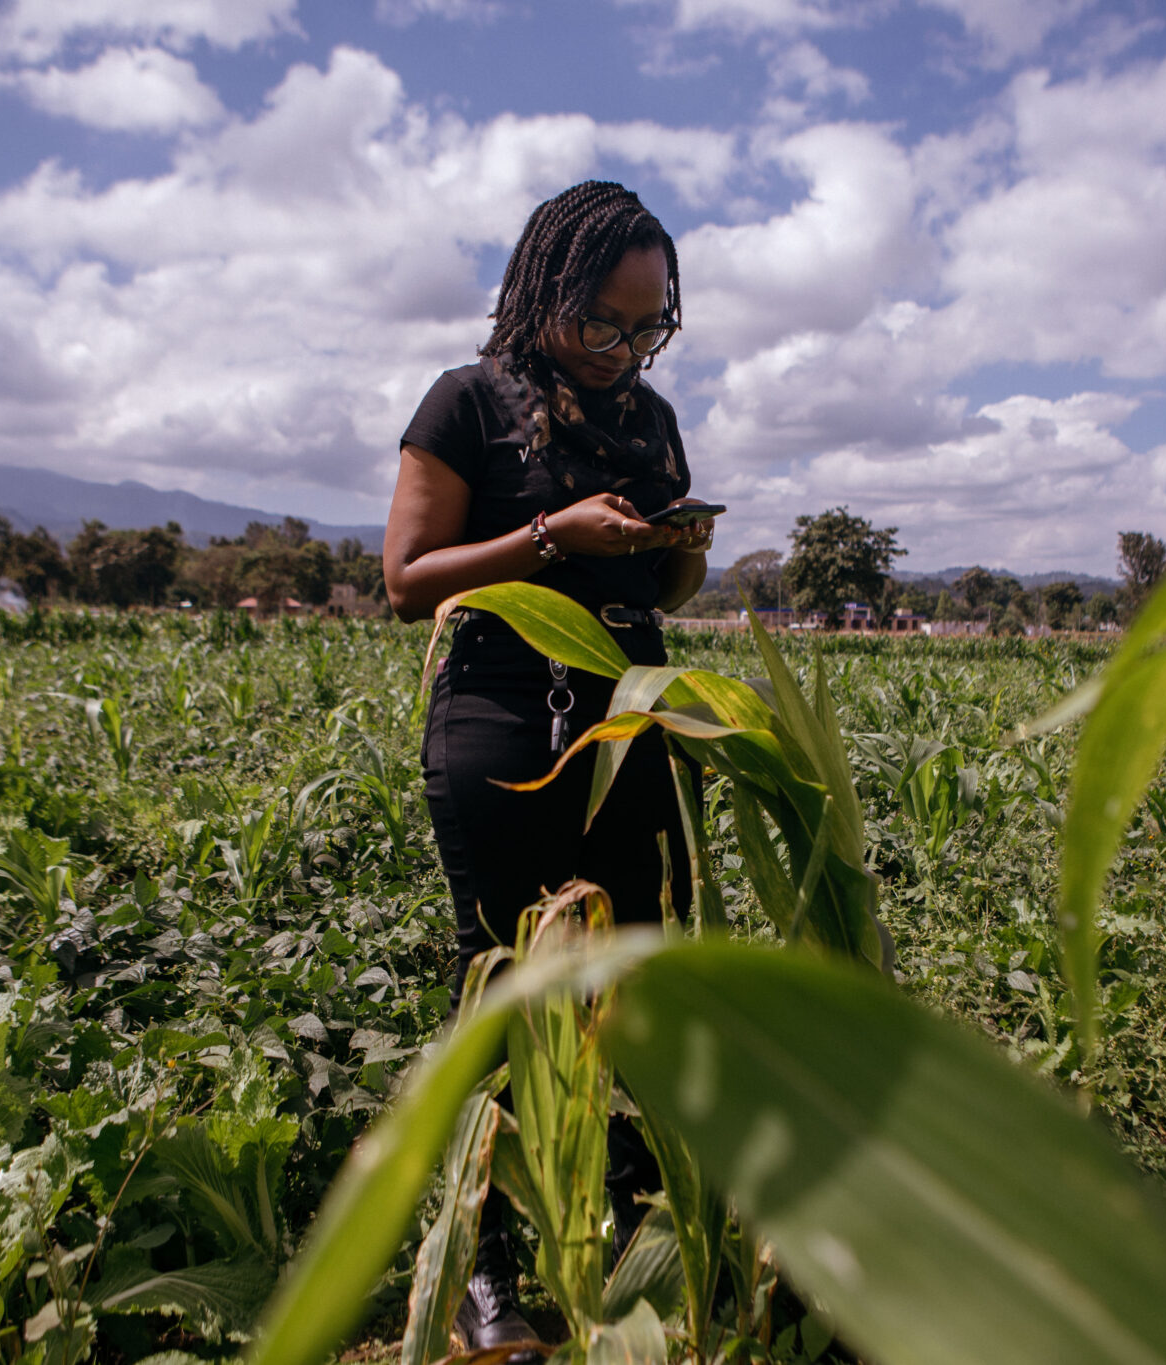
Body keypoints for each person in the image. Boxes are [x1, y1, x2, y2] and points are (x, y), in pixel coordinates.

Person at [384, 180, 715, 1356]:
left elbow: (659, 598)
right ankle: (477, 1266)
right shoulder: (466, 402)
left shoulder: (652, 419)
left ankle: (619, 1216)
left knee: (632, 977)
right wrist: (546, 539)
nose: (625, 352)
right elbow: (409, 578)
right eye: (601, 326)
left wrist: (679, 552)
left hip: (629, 721)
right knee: (510, 988)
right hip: (503, 721)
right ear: (542, 298)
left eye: (648, 327)